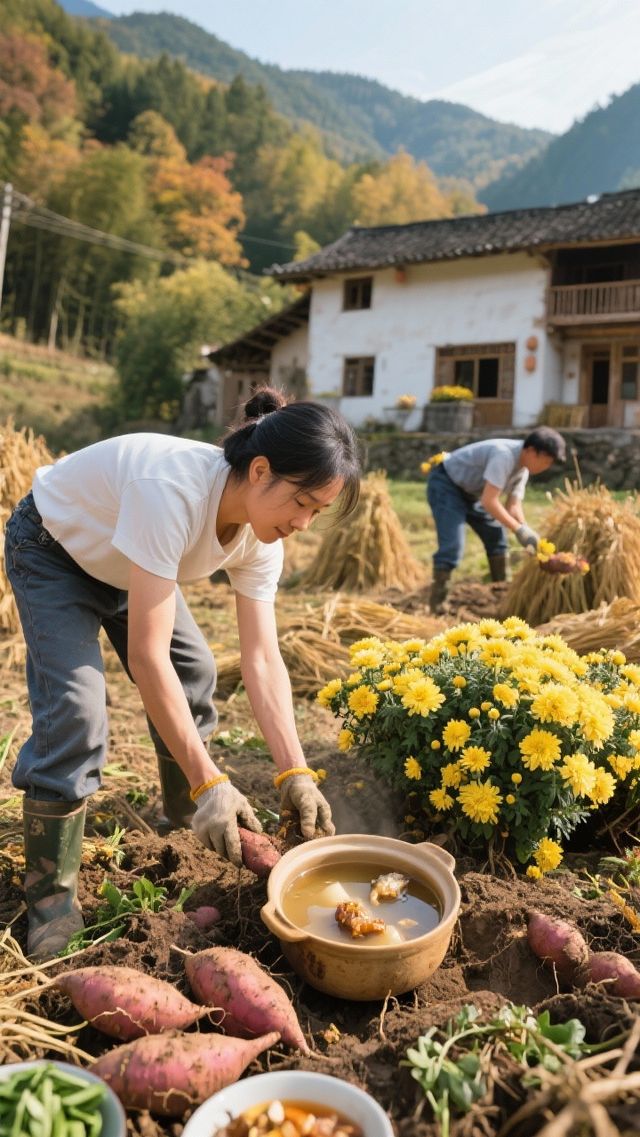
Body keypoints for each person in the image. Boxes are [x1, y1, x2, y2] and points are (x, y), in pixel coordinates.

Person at [4, 387, 361, 961]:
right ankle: (51, 899)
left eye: (316, 512)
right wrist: (212, 780)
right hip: (54, 550)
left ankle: (183, 820)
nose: (303, 523)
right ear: (260, 470)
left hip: (132, 563)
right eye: (301, 502)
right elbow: (148, 657)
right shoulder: (172, 491)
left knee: (194, 671)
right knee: (77, 713)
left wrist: (295, 771)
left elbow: (262, 659)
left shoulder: (263, 537)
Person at [426, 426, 566, 613]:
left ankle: (501, 596)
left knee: (498, 540)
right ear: (532, 451)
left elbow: (513, 506)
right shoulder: (504, 456)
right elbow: (489, 501)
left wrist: (527, 532)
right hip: (447, 485)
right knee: (452, 546)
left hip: (473, 493)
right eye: (546, 461)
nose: (546, 467)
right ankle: (437, 605)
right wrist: (518, 529)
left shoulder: (522, 470)